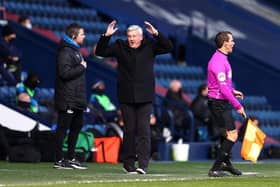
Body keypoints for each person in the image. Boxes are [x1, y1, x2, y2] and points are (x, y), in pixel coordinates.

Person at [95, 20, 173, 174]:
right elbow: (100, 52)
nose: (131, 38)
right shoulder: (119, 46)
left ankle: (143, 164)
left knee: (144, 130)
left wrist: (157, 33)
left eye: (134, 36)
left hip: (145, 96)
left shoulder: (150, 45)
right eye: (129, 36)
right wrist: (106, 36)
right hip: (126, 96)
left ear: (141, 37)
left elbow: (168, 46)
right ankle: (128, 164)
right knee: (129, 131)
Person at [207, 31, 247, 177]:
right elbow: (222, 89)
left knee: (226, 134)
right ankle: (216, 168)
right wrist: (238, 105)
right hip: (219, 103)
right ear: (225, 43)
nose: (233, 43)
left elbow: (222, 85)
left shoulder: (221, 58)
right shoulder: (218, 61)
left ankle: (226, 164)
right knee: (232, 135)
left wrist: (233, 90)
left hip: (220, 101)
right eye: (232, 40)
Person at [54, 23, 88, 170]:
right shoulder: (65, 51)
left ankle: (70, 158)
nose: (84, 36)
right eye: (82, 34)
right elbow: (64, 73)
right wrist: (81, 67)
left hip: (77, 98)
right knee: (63, 129)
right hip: (68, 98)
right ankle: (59, 159)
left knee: (76, 128)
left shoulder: (75, 50)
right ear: (74, 36)